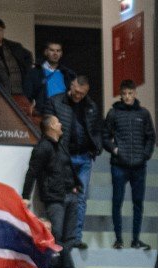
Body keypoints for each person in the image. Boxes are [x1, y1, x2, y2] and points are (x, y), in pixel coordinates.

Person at [42, 76, 100, 251]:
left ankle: (75, 238)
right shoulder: (55, 102)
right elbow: (47, 125)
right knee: (62, 197)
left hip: (84, 156)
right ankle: (60, 240)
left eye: (82, 94)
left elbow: (97, 129)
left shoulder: (90, 106)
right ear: (71, 86)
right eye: (76, 92)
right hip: (63, 156)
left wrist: (96, 148)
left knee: (81, 198)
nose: (78, 96)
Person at [102, 80, 155, 251]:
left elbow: (150, 137)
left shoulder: (144, 114)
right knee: (117, 201)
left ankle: (136, 240)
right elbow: (104, 137)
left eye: (130, 93)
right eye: (124, 93)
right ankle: (118, 239)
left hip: (139, 165)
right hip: (119, 165)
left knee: (137, 203)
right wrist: (115, 150)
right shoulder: (113, 113)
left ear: (135, 93)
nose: (127, 97)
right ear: (120, 94)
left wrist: (145, 155)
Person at [22, 116, 80, 266]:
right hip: (55, 198)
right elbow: (32, 172)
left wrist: (76, 185)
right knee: (57, 234)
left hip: (70, 194)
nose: (61, 124)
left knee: (70, 237)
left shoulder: (60, 145)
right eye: (58, 122)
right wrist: (25, 196)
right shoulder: (43, 147)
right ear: (52, 126)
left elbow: (67, 168)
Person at [22, 39, 73, 108]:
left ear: (61, 54)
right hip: (43, 113)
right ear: (46, 52)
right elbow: (27, 95)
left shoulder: (68, 74)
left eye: (58, 51)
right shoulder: (34, 72)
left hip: (64, 112)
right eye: (52, 50)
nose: (55, 53)